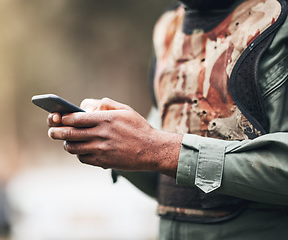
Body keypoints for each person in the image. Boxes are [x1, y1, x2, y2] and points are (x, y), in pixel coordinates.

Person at [47, 0, 288, 239]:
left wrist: (157, 149)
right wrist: (114, 146)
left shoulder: (279, 23)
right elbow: (166, 182)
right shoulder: (168, 28)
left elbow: (161, 150)